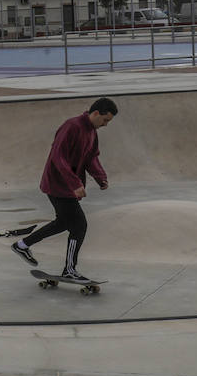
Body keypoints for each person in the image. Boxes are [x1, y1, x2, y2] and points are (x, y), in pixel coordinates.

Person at [10, 97, 118, 281]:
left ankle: (22, 245)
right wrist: (75, 184)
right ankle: (69, 269)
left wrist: (101, 178)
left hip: (67, 186)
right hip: (57, 184)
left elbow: (91, 158)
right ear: (96, 113)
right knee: (79, 225)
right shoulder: (72, 126)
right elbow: (58, 157)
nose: (106, 125)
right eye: (105, 120)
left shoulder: (92, 133)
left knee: (63, 223)